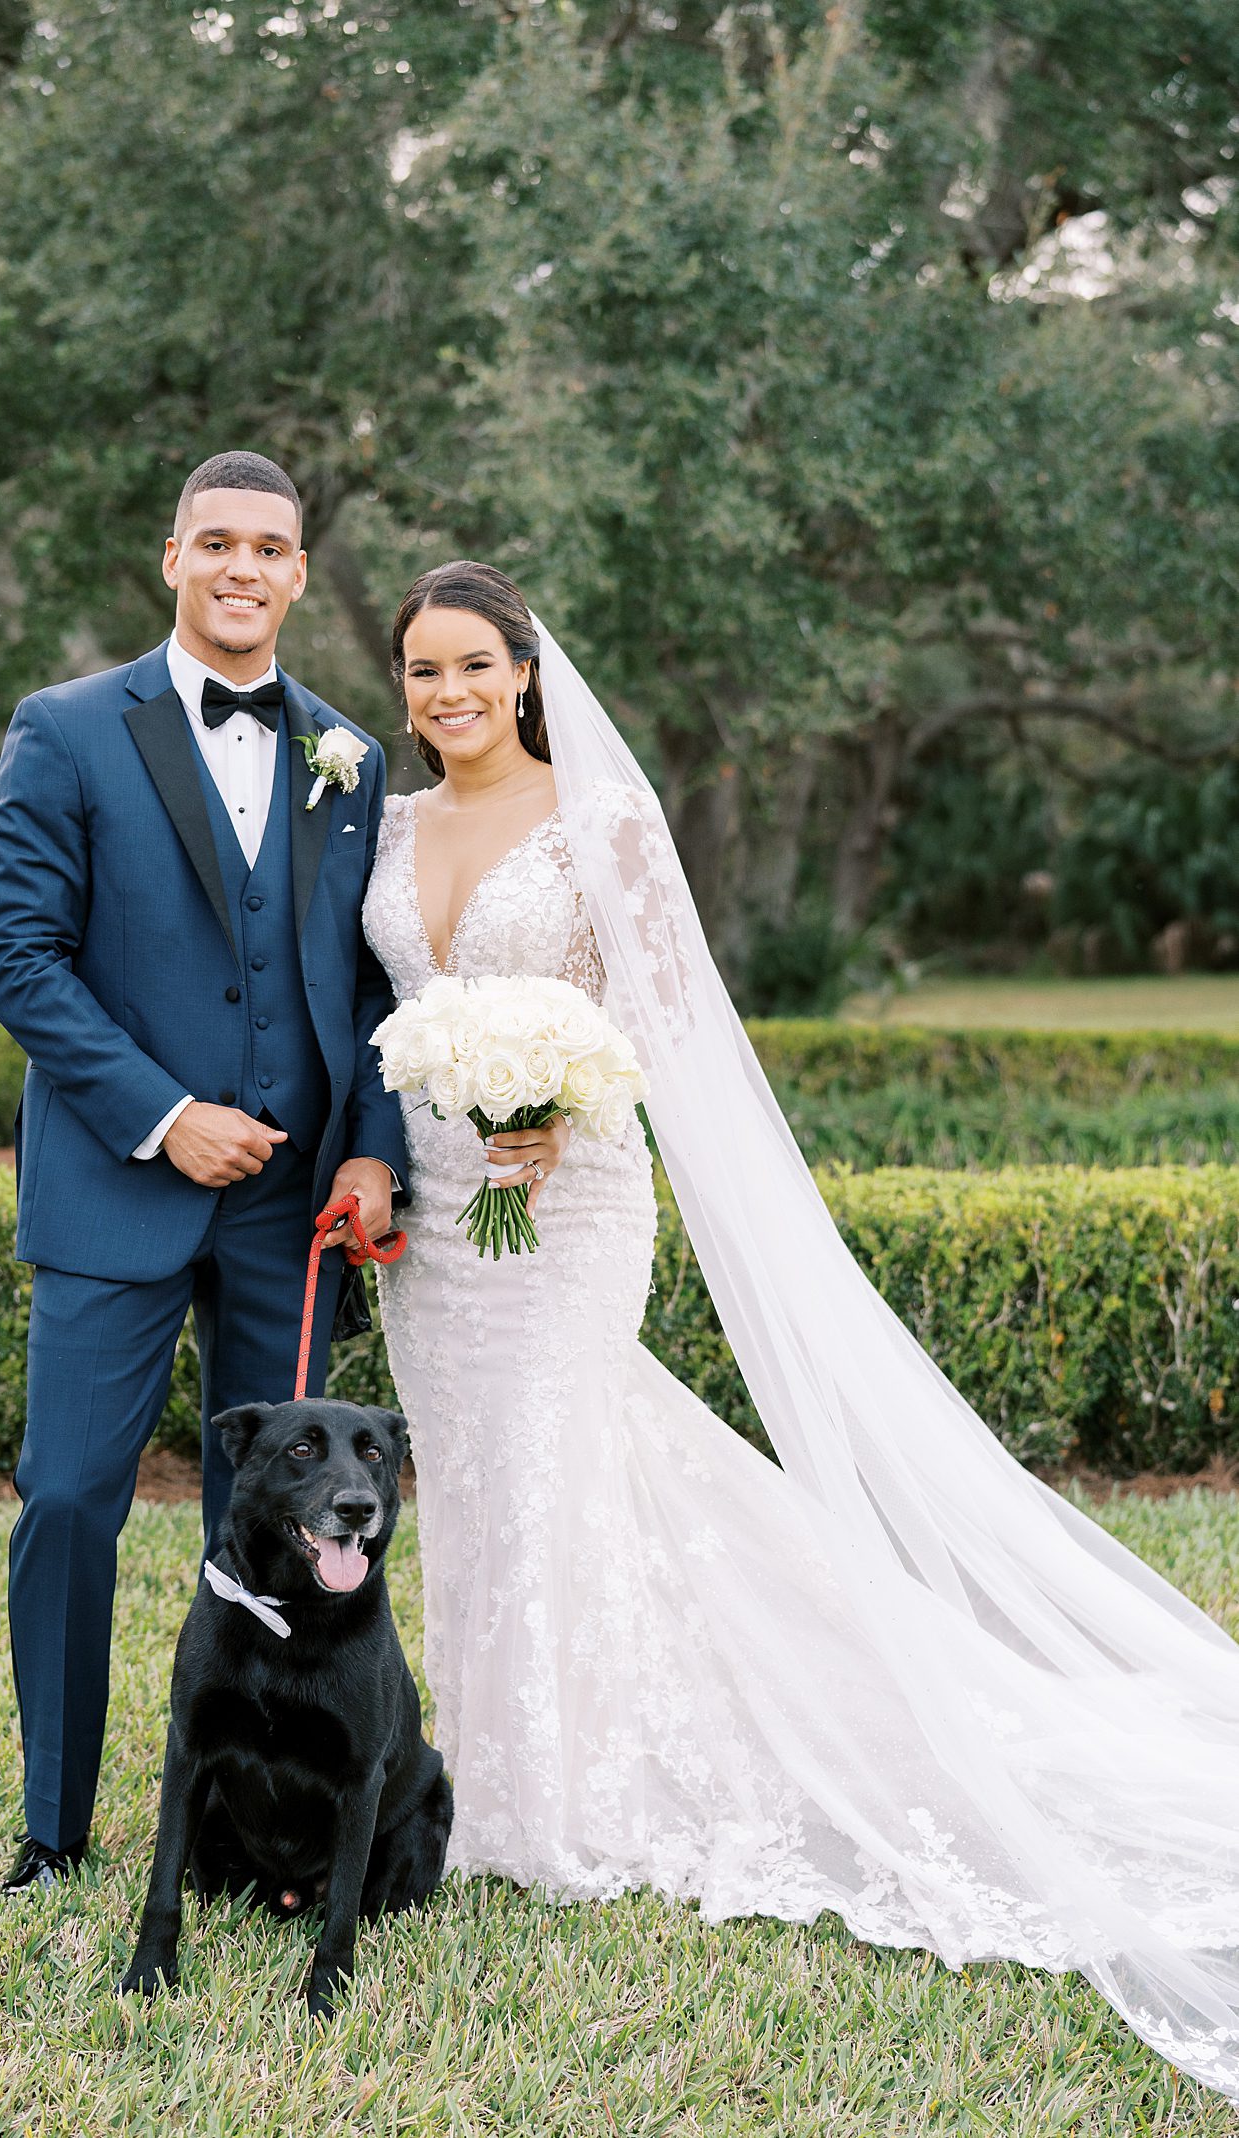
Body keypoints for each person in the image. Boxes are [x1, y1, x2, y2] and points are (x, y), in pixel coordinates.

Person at [360, 558, 1239, 2101]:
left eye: (473, 665)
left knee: (557, 1453)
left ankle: (562, 1800)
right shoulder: (385, 823)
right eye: (423, 670)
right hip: (429, 1225)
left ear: (524, 672)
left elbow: (672, 1024)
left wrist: (561, 1107)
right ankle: (480, 1778)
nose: (448, 694)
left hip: (568, 1203)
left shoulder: (602, 822)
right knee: (481, 1476)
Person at [0, 451, 407, 1893]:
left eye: (268, 548)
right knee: (70, 1499)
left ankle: (279, 1812)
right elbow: (18, 960)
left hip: (293, 1210)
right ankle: (54, 1825)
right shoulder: (67, 730)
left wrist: (371, 1144)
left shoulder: (352, 753)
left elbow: (372, 978)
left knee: (308, 1509)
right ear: (173, 557)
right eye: (214, 542)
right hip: (116, 1189)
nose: (242, 568)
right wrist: (165, 1115)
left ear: (295, 571)